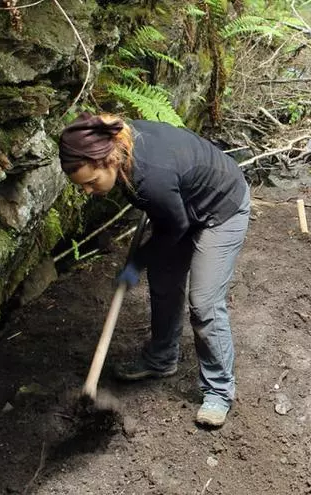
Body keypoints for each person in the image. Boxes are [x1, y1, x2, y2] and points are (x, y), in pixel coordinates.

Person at [58, 113, 250, 427]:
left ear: (110, 160)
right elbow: (169, 217)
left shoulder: (150, 178)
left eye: (91, 182)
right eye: (82, 186)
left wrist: (136, 262)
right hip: (182, 201)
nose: (88, 191)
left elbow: (174, 227)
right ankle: (162, 358)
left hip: (221, 206)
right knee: (162, 279)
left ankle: (219, 390)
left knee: (204, 302)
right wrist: (147, 255)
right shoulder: (123, 150)